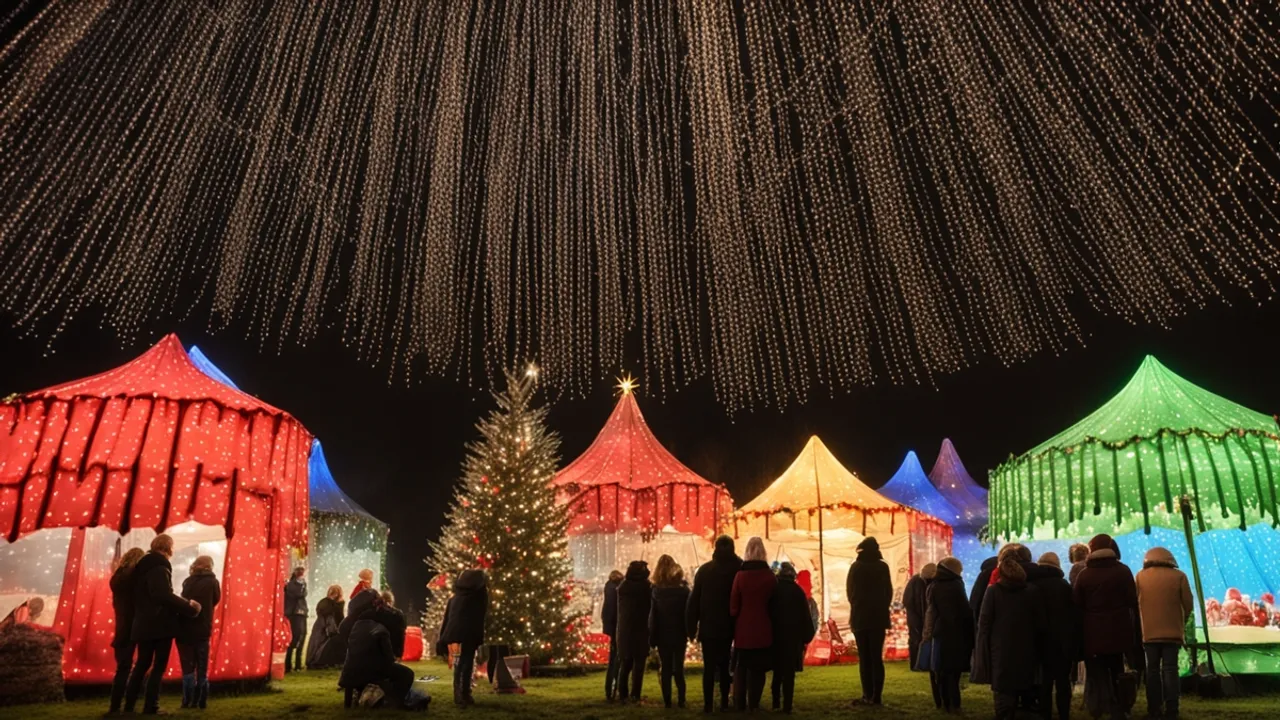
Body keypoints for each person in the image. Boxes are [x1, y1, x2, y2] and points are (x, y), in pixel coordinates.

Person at [125, 534, 200, 714]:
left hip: (142, 623)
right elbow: (162, 594)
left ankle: (129, 705)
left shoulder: (141, 567)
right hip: (159, 625)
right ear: (168, 548)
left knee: (142, 664)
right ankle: (151, 706)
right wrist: (190, 607)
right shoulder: (159, 566)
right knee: (158, 666)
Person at [975, 549, 1046, 720]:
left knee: (1003, 692)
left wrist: (982, 648)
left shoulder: (993, 591)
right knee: (1026, 688)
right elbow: (1040, 622)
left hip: (1000, 647)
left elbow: (984, 622)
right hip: (1027, 647)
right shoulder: (1032, 591)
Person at [1074, 533, 1139, 720]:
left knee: (1096, 672)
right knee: (1117, 668)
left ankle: (1098, 707)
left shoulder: (1085, 575)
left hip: (1093, 632)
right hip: (1119, 631)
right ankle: (1119, 707)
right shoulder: (1123, 571)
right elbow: (1132, 600)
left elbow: (1077, 604)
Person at [1136, 547, 1193, 720]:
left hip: (1149, 632)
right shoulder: (1179, 576)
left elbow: (1134, 600)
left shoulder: (1140, 576)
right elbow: (1188, 604)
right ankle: (1172, 708)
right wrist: (1181, 619)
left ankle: (1154, 708)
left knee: (1152, 670)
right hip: (1172, 632)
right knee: (1170, 670)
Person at [686, 534, 742, 713]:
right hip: (731, 626)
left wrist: (691, 626)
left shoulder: (705, 571)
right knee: (726, 666)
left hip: (709, 626)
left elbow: (694, 601)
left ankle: (708, 704)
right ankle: (725, 702)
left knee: (709, 668)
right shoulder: (739, 569)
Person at [343, 593, 421, 710]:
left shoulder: (359, 624)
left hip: (352, 666)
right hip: (374, 665)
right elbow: (389, 656)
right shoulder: (384, 629)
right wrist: (396, 655)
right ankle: (395, 702)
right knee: (406, 674)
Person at [921, 556, 973, 714]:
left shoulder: (933, 585)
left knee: (942, 670)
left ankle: (943, 702)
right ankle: (954, 703)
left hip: (940, 631)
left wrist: (927, 632)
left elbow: (931, 610)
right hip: (956, 631)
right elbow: (964, 609)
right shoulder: (956, 584)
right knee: (954, 671)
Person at [730, 537, 776, 712]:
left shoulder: (740, 576)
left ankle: (739, 703)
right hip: (764, 628)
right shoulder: (770, 577)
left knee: (741, 667)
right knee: (758, 668)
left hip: (743, 629)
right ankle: (754, 703)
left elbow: (733, 607)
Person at [847, 536, 892, 706]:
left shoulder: (856, 567)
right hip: (878, 618)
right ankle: (877, 695)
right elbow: (888, 592)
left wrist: (858, 606)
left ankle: (867, 694)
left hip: (860, 617)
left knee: (865, 658)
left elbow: (850, 592)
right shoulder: (883, 567)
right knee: (876, 658)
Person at [1031, 552, 1076, 720]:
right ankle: (1064, 714)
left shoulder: (1032, 585)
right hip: (1062, 641)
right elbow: (1073, 615)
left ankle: (1045, 714)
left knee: (1044, 681)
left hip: (1039, 641)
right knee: (1063, 681)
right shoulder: (1064, 586)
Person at [437, 569, 488, 707]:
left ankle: (461, 693)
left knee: (461, 663)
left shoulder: (455, 598)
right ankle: (463, 693)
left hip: (455, 634)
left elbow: (447, 618)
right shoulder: (477, 597)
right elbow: (479, 618)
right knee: (466, 663)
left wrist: (442, 637)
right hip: (469, 634)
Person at [770, 562, 817, 713]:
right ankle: (787, 705)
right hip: (792, 638)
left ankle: (776, 702)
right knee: (789, 674)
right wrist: (806, 637)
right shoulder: (797, 592)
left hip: (775, 636)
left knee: (777, 672)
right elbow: (805, 617)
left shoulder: (773, 590)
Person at [177, 555, 221, 710]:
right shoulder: (213, 582)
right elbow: (216, 600)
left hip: (185, 629)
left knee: (187, 667)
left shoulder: (188, 582)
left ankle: (186, 700)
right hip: (202, 628)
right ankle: (201, 700)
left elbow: (183, 602)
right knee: (202, 666)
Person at [649, 555, 691, 708]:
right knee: (678, 667)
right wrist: (690, 632)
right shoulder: (683, 591)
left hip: (662, 635)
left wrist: (652, 638)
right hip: (679, 633)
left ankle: (667, 700)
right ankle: (681, 699)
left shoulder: (656, 592)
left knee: (665, 667)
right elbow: (688, 614)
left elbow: (653, 617)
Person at [108, 547, 145, 714]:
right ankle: (130, 704)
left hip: (121, 627)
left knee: (122, 668)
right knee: (139, 667)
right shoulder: (135, 576)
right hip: (135, 625)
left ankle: (114, 706)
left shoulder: (117, 576)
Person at [616, 560, 653, 703]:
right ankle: (635, 694)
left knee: (626, 664)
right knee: (639, 664)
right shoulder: (646, 587)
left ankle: (623, 694)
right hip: (641, 629)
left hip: (625, 630)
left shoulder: (624, 587)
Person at [904, 563, 936, 671]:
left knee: (917, 640)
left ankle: (919, 664)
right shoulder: (918, 581)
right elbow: (909, 602)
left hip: (918, 616)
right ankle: (918, 664)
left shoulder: (918, 581)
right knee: (916, 639)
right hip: (916, 616)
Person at [307, 585, 347, 669]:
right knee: (321, 644)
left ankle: (321, 661)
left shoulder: (328, 602)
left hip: (328, 625)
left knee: (321, 644)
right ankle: (318, 662)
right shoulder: (328, 603)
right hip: (325, 625)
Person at [601, 569, 623, 701]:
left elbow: (607, 611)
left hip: (612, 627)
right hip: (619, 627)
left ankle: (610, 689)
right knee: (618, 660)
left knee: (613, 658)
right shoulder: (619, 589)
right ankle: (615, 688)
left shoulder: (609, 587)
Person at [283, 566, 308, 673]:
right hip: (294, 614)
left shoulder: (301, 584)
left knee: (302, 636)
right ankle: (288, 664)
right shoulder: (291, 585)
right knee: (294, 638)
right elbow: (299, 594)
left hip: (301, 613)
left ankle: (298, 664)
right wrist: (301, 584)